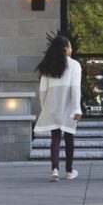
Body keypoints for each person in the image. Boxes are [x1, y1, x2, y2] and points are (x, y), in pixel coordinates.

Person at [34, 36, 82, 182]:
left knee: (55, 138)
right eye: (70, 46)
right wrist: (77, 109)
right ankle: (69, 171)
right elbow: (75, 88)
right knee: (69, 138)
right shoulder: (75, 65)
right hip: (68, 107)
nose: (72, 49)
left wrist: (45, 108)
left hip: (52, 106)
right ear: (66, 48)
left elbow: (42, 91)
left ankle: (54, 170)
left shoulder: (47, 65)